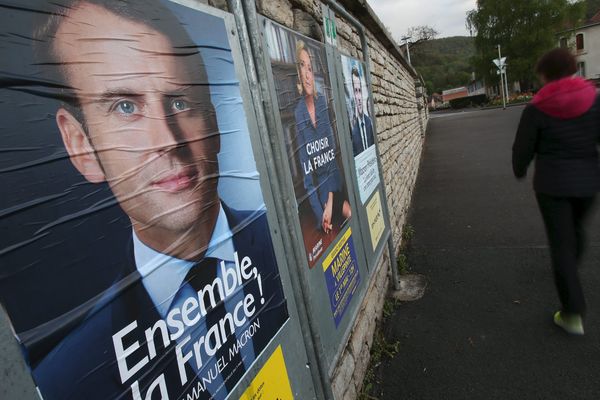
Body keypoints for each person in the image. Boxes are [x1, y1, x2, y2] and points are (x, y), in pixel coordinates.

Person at [28, 1, 286, 398]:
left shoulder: (290, 237)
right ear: (81, 146)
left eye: (180, 102)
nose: (168, 140)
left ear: (214, 121)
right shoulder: (65, 381)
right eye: (125, 107)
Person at [512, 48, 600, 336]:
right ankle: (569, 270)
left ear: (545, 74)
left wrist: (520, 168)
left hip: (552, 186)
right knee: (575, 231)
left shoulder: (536, 108)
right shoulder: (594, 99)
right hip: (588, 182)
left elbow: (523, 148)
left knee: (561, 243)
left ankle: (572, 313)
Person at [294, 40, 351, 234]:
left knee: (350, 213)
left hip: (335, 183)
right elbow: (307, 173)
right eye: (302, 67)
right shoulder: (298, 113)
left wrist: (331, 200)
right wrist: (321, 215)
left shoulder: (322, 105)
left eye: (310, 68)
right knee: (345, 216)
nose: (308, 74)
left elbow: (331, 157)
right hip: (321, 194)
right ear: (298, 74)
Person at [350, 66, 375, 156]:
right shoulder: (353, 129)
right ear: (353, 95)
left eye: (359, 90)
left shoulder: (369, 122)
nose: (359, 97)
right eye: (356, 91)